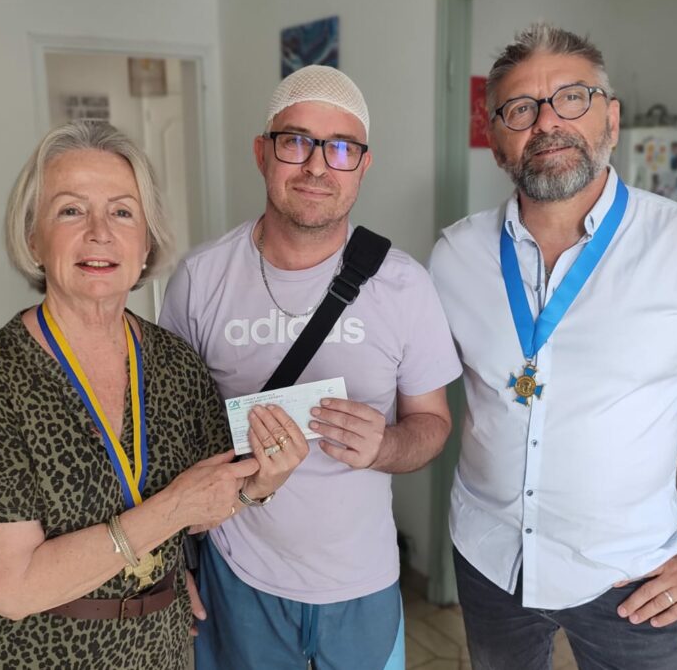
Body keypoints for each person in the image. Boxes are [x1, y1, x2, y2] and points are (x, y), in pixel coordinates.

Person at [429, 23, 677, 670]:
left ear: (610, 118)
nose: (548, 122)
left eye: (572, 98)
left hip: (630, 577)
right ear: (497, 138)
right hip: (489, 555)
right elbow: (410, 377)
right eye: (522, 108)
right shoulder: (454, 256)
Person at [0, 121, 304, 669]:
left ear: (146, 241)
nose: (100, 232)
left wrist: (259, 486)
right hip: (25, 654)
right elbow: (9, 588)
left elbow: (199, 509)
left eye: (123, 212)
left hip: (158, 647)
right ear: (33, 236)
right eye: (71, 210)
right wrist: (170, 508)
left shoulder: (176, 366)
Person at [159, 65, 462, 670]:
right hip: (234, 574)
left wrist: (386, 446)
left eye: (342, 148)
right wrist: (169, 569)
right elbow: (168, 441)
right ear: (262, 153)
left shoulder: (404, 285)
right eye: (296, 141)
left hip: (362, 582)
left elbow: (433, 423)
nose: (318, 166)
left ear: (363, 166)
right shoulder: (200, 280)